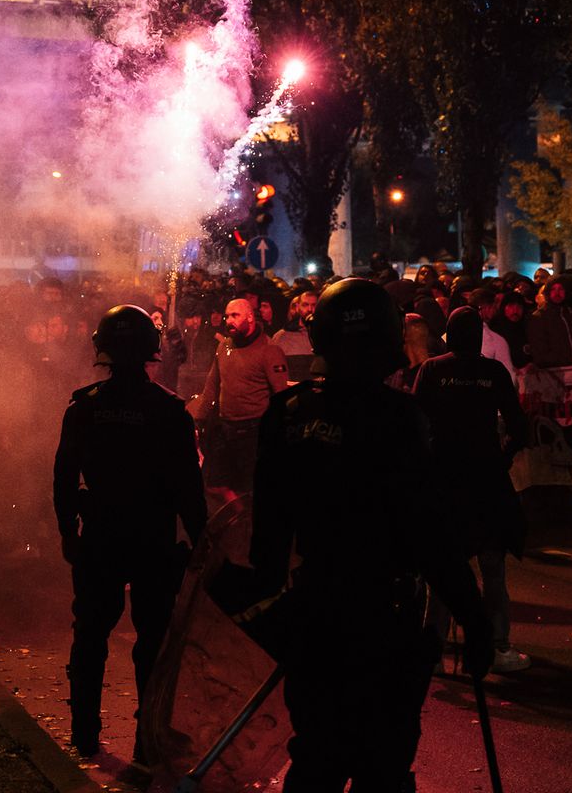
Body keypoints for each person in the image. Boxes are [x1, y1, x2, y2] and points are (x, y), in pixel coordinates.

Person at [248, 278, 491, 790]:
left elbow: (266, 547)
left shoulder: (286, 415)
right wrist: (473, 614)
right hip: (385, 622)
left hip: (315, 617)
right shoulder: (397, 419)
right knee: (382, 767)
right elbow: (430, 533)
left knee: (316, 757)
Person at [53, 306, 207, 758]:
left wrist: (68, 531)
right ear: (149, 350)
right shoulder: (169, 411)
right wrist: (201, 544)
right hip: (153, 539)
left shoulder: (85, 406)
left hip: (100, 534)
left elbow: (64, 478)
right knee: (154, 640)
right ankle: (148, 739)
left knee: (90, 636)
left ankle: (84, 731)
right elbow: (188, 490)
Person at [413, 305, 532, 672]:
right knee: (492, 567)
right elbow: (519, 427)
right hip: (486, 482)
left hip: (444, 483)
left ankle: (433, 650)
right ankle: (497, 647)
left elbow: (414, 424)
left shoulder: (432, 369)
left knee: (443, 569)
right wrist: (502, 457)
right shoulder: (493, 371)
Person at [190, 297, 290, 496]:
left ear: (250, 317)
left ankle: (248, 521)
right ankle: (239, 518)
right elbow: (212, 386)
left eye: (235, 315)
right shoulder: (224, 347)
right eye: (227, 316)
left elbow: (281, 395)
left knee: (250, 488)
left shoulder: (269, 350)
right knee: (213, 484)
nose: (229, 321)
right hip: (225, 428)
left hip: (254, 431)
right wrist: (198, 419)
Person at [527, 278, 572, 369]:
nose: (557, 293)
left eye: (560, 289)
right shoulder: (539, 317)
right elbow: (541, 354)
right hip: (554, 373)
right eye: (553, 289)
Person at [273, 286, 319, 380]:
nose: (310, 309)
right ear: (297, 307)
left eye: (314, 305)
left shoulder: (327, 334)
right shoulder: (282, 337)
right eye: (305, 305)